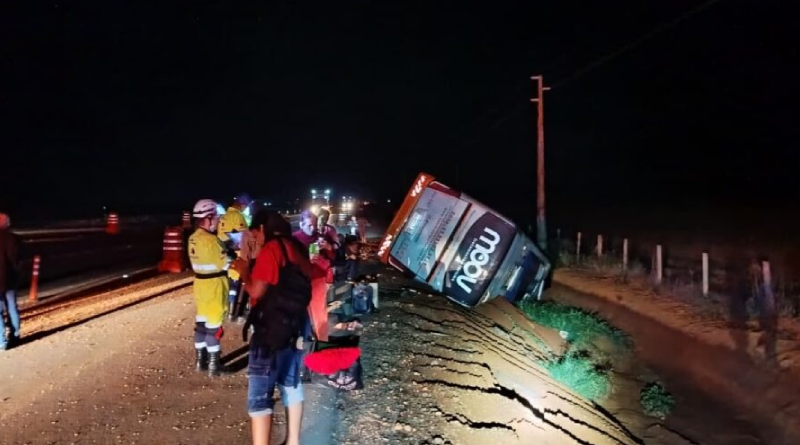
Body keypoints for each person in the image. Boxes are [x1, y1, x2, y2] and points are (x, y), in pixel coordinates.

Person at [244, 210, 312, 445]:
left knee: (259, 394)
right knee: (291, 383)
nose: (257, 240)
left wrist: (244, 271)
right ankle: (293, 441)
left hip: (270, 329)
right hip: (297, 325)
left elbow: (256, 291)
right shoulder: (299, 248)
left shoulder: (272, 249)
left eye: (256, 234)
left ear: (263, 228)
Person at [188, 199, 246, 376]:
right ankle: (214, 365)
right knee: (214, 327)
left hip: (200, 286)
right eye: (217, 218)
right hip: (215, 286)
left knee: (201, 325)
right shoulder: (212, 240)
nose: (219, 221)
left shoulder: (193, 238)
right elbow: (227, 264)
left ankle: (201, 361)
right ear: (209, 217)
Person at [218, 196, 251, 320]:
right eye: (246, 205)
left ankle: (229, 310)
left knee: (230, 283)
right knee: (238, 283)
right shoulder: (237, 216)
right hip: (237, 253)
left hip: (225, 253)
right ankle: (236, 312)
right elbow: (243, 235)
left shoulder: (224, 216)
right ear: (241, 204)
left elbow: (221, 236)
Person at [0, 213, 21, 351]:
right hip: (9, 278)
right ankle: (15, 334)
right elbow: (17, 258)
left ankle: (1, 341)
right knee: (12, 307)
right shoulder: (13, 238)